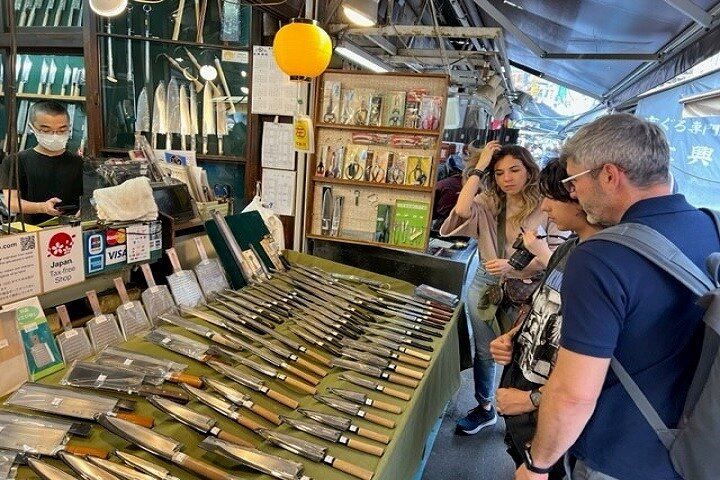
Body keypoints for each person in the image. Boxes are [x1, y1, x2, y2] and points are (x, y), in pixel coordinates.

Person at [514, 113, 720, 480]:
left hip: (620, 457)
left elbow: (574, 393)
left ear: (609, 175)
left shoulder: (600, 257)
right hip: (698, 454)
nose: (572, 193)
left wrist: (538, 464)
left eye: (574, 181)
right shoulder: (713, 225)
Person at [440, 140, 566, 435]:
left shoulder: (547, 206)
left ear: (529, 170)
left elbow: (555, 259)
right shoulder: (489, 202)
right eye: (498, 173)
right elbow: (461, 208)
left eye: (514, 170)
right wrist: (480, 166)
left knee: (522, 353)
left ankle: (517, 412)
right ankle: (485, 407)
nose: (507, 178)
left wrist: (515, 267)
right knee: (485, 351)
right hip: (486, 283)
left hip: (528, 290)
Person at [490, 158, 601, 479]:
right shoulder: (569, 249)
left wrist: (531, 400)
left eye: (553, 197)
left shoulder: (600, 269)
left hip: (551, 428)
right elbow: (543, 305)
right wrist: (513, 336)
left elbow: (590, 378)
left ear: (579, 196)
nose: (546, 207)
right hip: (525, 418)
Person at [0, 101, 83, 225]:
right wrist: (42, 207)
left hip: (71, 231)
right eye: (46, 131)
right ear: (32, 128)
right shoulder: (15, 161)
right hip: (31, 231)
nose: (55, 136)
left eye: (62, 130)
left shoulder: (79, 163)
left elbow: (89, 198)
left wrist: (83, 213)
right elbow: (11, 202)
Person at [432, 153, 465, 228]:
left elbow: (432, 212)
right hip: (465, 227)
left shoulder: (441, 185)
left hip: (442, 226)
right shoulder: (473, 186)